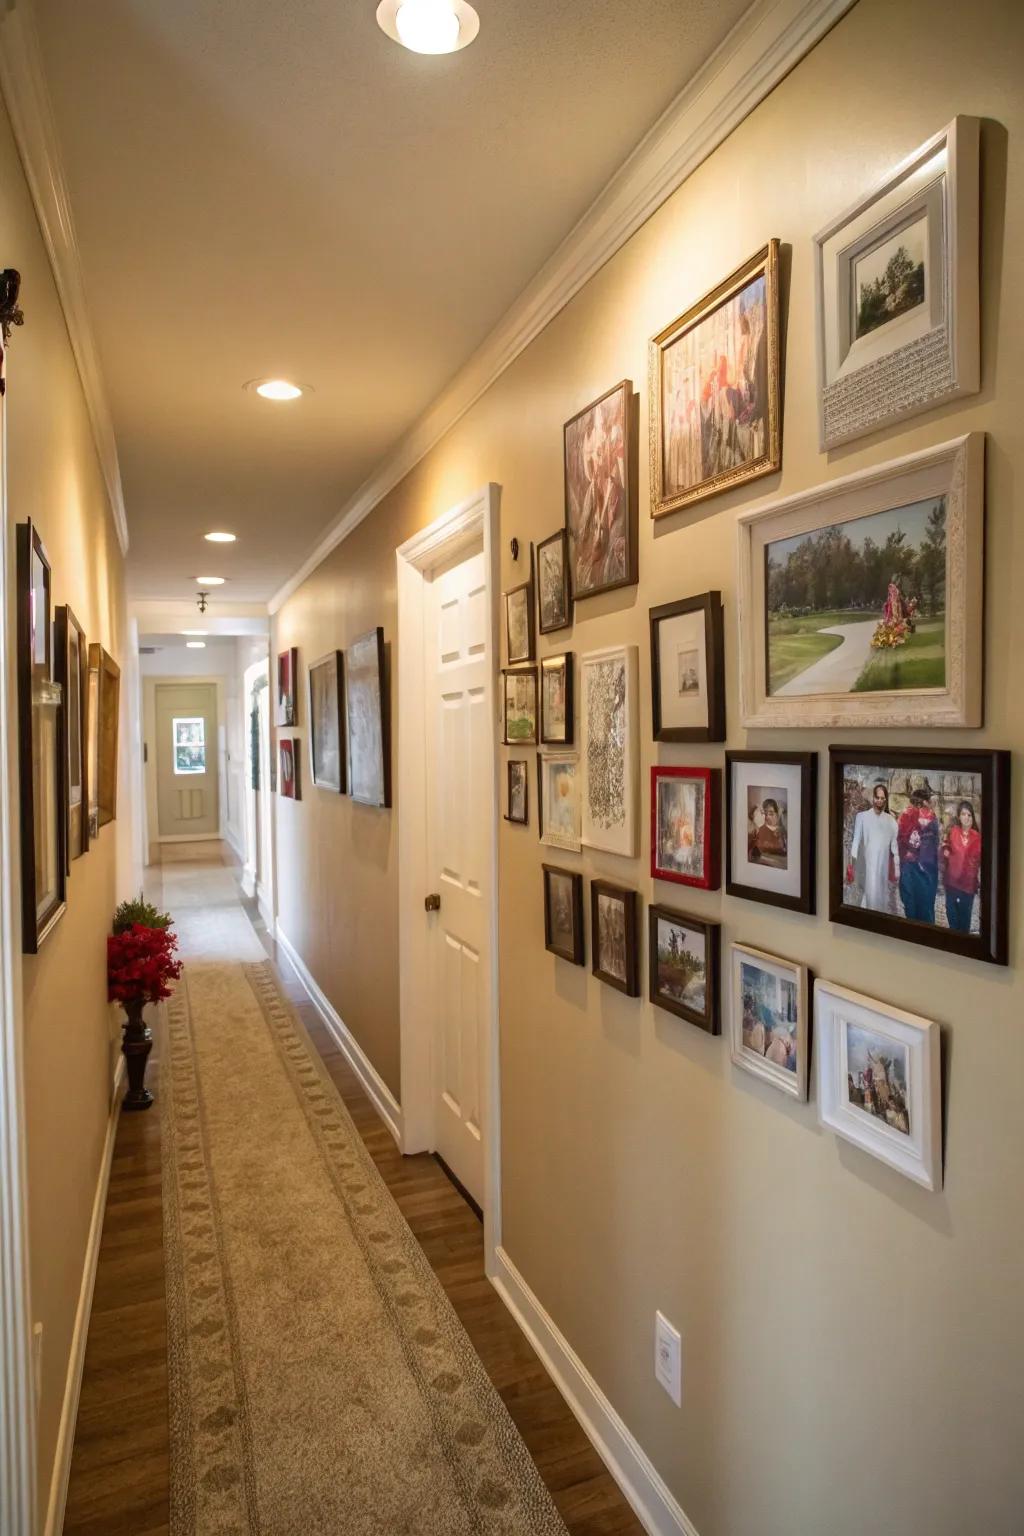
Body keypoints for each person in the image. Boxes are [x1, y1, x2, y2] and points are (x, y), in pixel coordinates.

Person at [847, 782, 899, 912]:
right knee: (867, 897)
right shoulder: (862, 817)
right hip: (865, 865)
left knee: (881, 899)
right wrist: (852, 865)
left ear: (886, 800)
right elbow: (856, 841)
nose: (879, 801)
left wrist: (897, 869)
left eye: (882, 798)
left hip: (883, 866)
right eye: (877, 797)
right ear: (873, 798)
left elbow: (895, 847)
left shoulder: (891, 821)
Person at [897, 785, 940, 924]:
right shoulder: (930, 818)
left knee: (913, 907)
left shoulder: (907, 815)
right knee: (923, 908)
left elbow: (900, 841)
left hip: (913, 868)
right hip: (920, 869)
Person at [943, 800, 982, 933]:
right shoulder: (953, 832)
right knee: (952, 920)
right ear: (959, 816)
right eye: (963, 814)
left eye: (969, 815)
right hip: (952, 884)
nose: (966, 817)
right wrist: (945, 850)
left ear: (973, 817)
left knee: (964, 923)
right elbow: (944, 847)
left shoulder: (978, 838)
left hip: (967, 887)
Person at [748, 797, 787, 865]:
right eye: (765, 814)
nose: (767, 817)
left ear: (777, 814)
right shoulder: (759, 829)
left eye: (771, 814)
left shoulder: (782, 831)